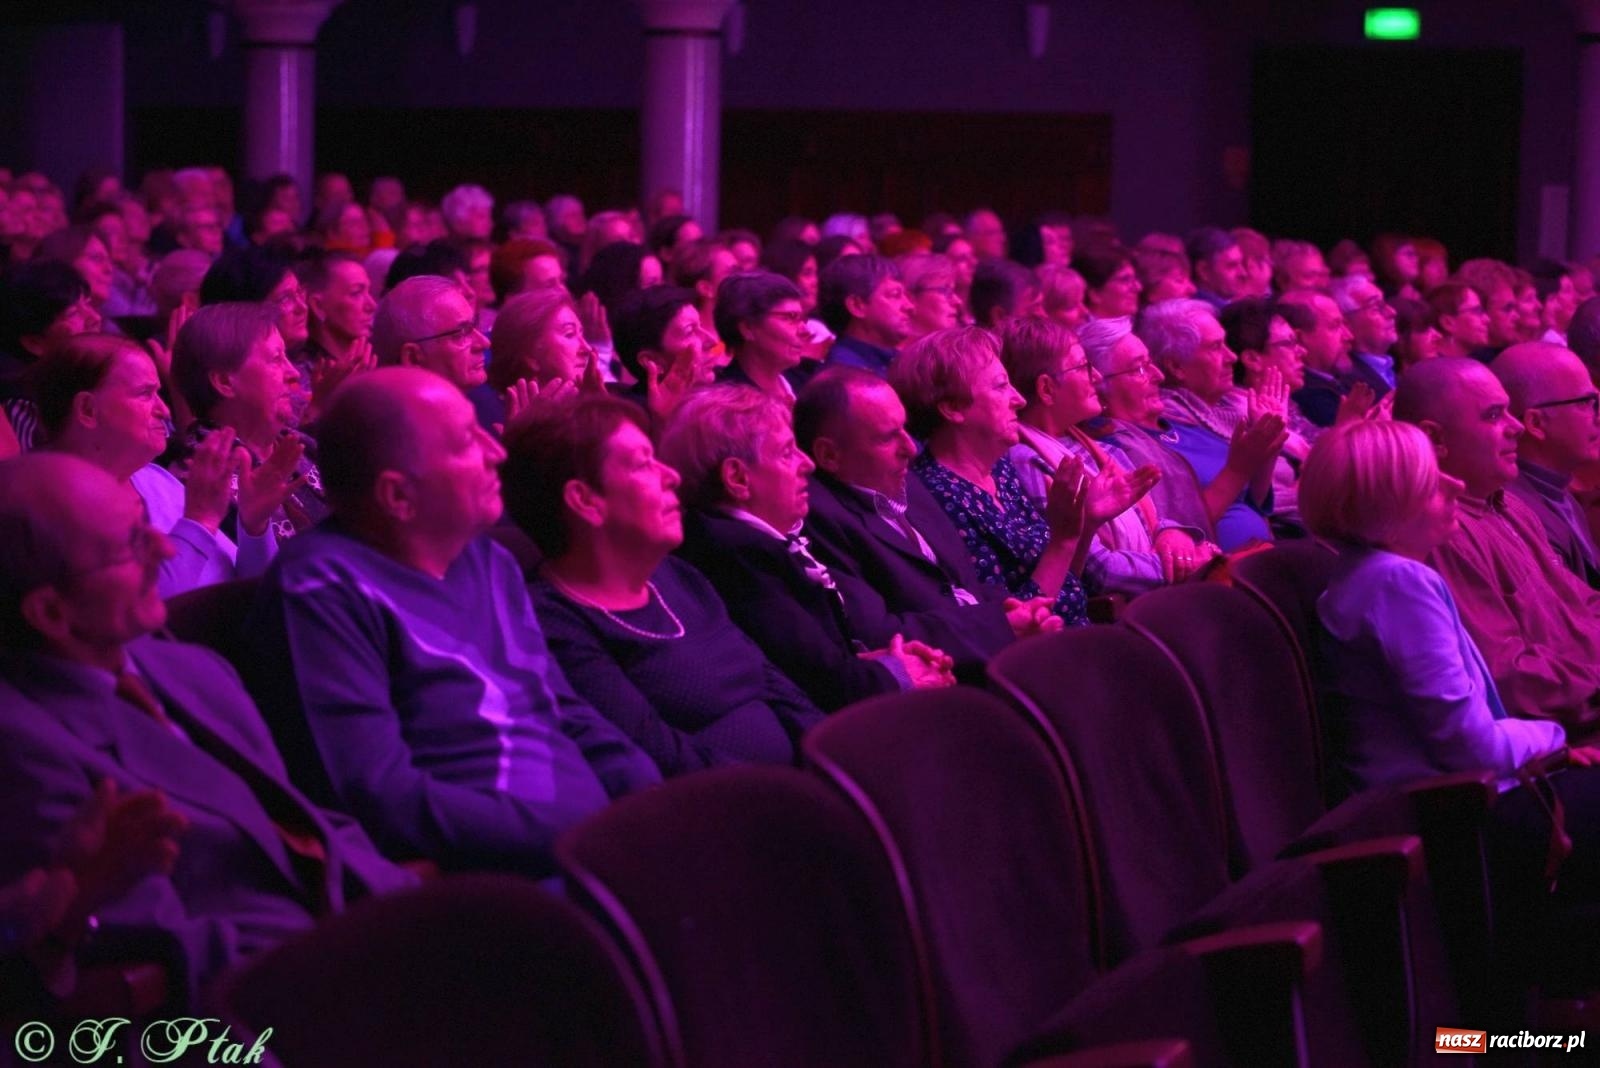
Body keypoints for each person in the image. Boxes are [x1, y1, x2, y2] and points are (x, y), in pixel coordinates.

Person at [0, 453, 415, 1001]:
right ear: (52, 613)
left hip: (366, 912)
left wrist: (407, 905)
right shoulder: (23, 748)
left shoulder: (187, 664)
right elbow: (159, 948)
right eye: (131, 545)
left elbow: (300, 821)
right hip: (269, 993)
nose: (167, 549)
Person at [247, 368, 661, 874]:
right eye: (467, 442)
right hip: (490, 878)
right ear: (398, 496)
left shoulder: (488, 561)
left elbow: (558, 707)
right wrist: (576, 839)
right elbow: (382, 798)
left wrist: (644, 794)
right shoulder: (321, 589)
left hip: (592, 844)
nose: (497, 452)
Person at [502, 395, 823, 774]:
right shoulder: (556, 624)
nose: (670, 476)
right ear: (585, 500)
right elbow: (658, 755)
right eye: (643, 464)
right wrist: (789, 790)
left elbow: (773, 684)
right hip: (729, 800)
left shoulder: (677, 576)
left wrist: (829, 755)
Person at [663, 385, 955, 710]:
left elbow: (814, 664)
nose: (807, 464)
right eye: (787, 453)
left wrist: (883, 660)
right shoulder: (738, 556)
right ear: (738, 478)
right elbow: (825, 686)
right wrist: (898, 674)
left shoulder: (739, 543)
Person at [796, 367, 1048, 680]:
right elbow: (881, 633)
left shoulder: (905, 481)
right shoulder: (818, 519)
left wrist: (1013, 608)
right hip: (948, 679)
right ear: (829, 455)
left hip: (995, 651)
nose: (910, 448)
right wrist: (998, 626)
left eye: (904, 428)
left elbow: (960, 585)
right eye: (888, 437)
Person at [1394, 357, 1600, 729]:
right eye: (1493, 416)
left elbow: (1581, 605)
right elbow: (1508, 678)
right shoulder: (1440, 535)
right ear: (1435, 439)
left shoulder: (1509, 504)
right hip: (1564, 731)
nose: (1516, 427)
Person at [893, 326, 1133, 626]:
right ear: (953, 408)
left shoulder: (1001, 470)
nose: (1019, 399)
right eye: (1000, 387)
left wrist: (1086, 524)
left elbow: (1066, 584)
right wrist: (1063, 538)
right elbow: (1012, 625)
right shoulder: (936, 498)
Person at [34, 333, 290, 596]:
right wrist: (200, 519)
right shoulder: (52, 510)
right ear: (88, 410)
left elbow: (260, 592)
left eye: (158, 393)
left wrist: (254, 526)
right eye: (145, 394)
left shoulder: (156, 479)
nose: (164, 410)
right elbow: (141, 608)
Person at [999, 316, 1206, 595]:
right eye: (1083, 366)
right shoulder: (1027, 462)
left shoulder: (1103, 449)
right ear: (1047, 389)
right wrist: (1187, 566)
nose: (1096, 377)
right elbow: (1098, 571)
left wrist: (1172, 534)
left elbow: (1153, 521)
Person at [171, 303, 327, 545]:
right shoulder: (201, 481)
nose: (294, 373)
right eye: (276, 359)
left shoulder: (303, 445)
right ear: (225, 382)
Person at [1137, 299, 1285, 549]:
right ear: (1176, 366)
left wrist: (1270, 441)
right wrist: (1239, 469)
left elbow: (1254, 501)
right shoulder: (1165, 427)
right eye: (1216, 347)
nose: (1232, 356)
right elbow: (1182, 529)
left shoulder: (1220, 417)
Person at [1492, 342, 1600, 587]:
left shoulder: (1558, 488)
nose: (1598, 416)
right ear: (1536, 423)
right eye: (1586, 403)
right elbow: (1570, 609)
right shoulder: (1518, 513)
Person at [712, 271, 811, 399]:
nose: (805, 331)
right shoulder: (725, 402)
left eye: (802, 318)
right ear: (748, 328)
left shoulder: (802, 385)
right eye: (790, 317)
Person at [818, 254, 914, 377]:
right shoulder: (846, 375)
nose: (909, 306)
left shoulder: (898, 360)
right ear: (857, 306)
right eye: (895, 295)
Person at [1186, 227, 1249, 311]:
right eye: (1232, 266)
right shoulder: (1203, 314)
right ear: (1204, 271)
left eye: (1242, 263)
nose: (1243, 273)